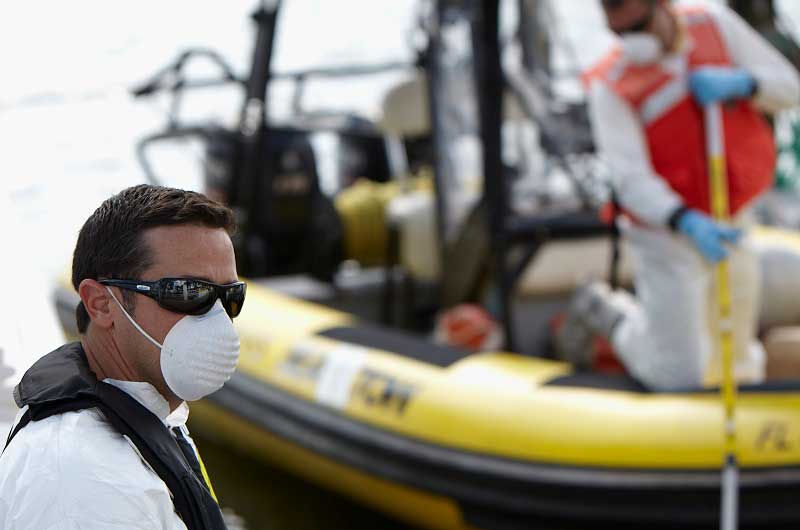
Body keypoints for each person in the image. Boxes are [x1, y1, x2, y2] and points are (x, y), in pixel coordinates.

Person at [556, 0, 800, 391]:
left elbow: (790, 87)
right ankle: (613, 316)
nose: (635, 43)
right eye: (622, 34)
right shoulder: (611, 85)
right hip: (665, 234)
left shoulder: (715, 25)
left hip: (730, 213)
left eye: (641, 26)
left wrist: (746, 82)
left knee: (736, 345)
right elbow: (630, 180)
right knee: (678, 374)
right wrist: (683, 219)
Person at [0, 184, 246, 529]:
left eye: (231, 296)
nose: (217, 319)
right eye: (189, 292)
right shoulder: (83, 484)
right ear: (101, 304)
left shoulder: (147, 411)